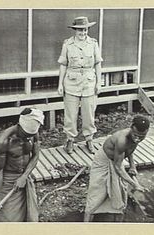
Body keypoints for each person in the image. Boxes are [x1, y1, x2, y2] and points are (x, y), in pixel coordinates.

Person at [84, 115, 150, 222]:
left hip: (117, 160)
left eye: (141, 136)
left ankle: (117, 227)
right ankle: (84, 228)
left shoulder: (136, 138)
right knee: (95, 197)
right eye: (136, 135)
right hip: (104, 161)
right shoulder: (121, 140)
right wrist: (135, 184)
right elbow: (118, 168)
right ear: (131, 128)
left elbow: (130, 149)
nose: (138, 139)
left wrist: (133, 166)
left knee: (120, 193)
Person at [57, 16, 103, 154]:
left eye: (85, 30)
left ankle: (89, 139)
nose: (83, 33)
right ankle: (70, 140)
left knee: (89, 113)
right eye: (80, 30)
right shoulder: (67, 44)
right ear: (75, 31)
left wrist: (99, 83)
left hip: (89, 83)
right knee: (70, 114)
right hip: (71, 82)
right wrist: (60, 84)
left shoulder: (93, 43)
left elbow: (98, 64)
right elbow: (63, 65)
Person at [0, 108, 44, 222]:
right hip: (8, 179)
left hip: (24, 176)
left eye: (30, 135)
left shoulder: (33, 133)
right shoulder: (4, 141)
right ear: (20, 126)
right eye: (25, 134)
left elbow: (35, 156)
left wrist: (24, 176)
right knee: (8, 220)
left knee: (31, 217)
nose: (27, 138)